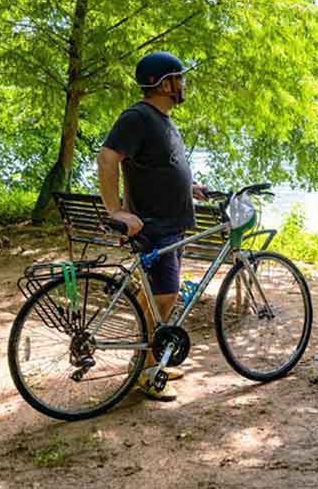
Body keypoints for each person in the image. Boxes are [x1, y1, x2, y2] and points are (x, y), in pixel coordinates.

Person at [96, 51, 208, 402]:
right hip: (154, 226)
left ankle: (150, 359)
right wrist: (115, 210)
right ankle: (146, 372)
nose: (184, 83)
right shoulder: (138, 117)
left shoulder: (163, 120)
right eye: (180, 77)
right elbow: (107, 158)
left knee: (158, 298)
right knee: (164, 295)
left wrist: (189, 187)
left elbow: (159, 166)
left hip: (172, 226)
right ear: (164, 83)